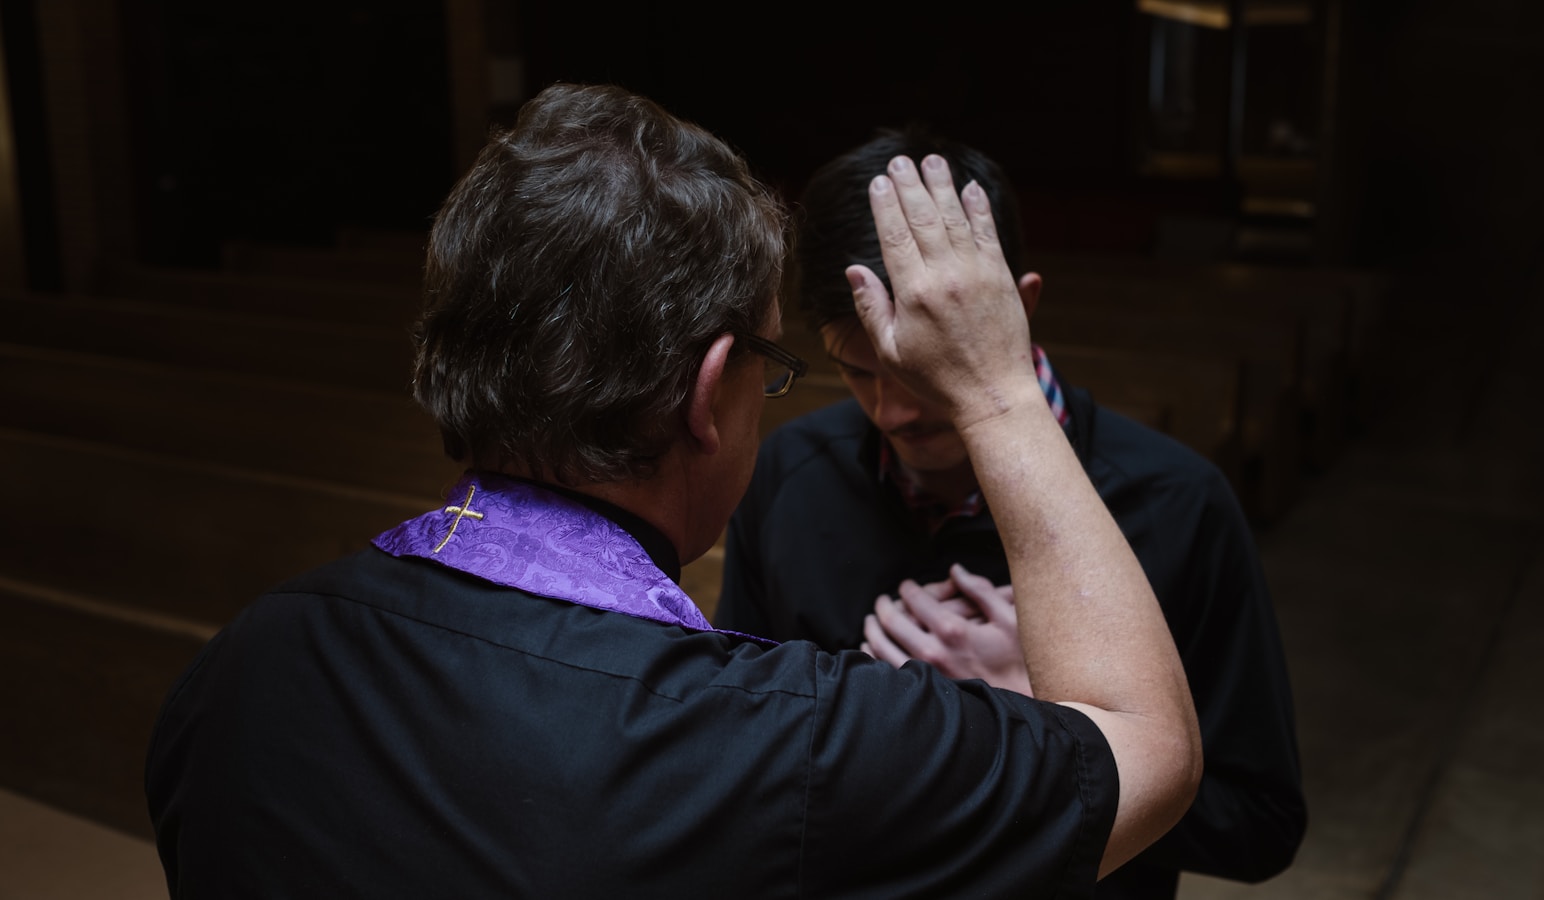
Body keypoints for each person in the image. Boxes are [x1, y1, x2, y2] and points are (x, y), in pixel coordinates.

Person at [144, 84, 1201, 898]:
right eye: (771, 366)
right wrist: (999, 390)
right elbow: (1145, 752)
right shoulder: (766, 744)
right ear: (708, 394)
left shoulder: (245, 661)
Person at [716, 128, 1307, 899]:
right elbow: (743, 735)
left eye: (917, 370)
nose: (891, 411)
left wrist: (1050, 715)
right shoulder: (792, 470)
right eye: (856, 372)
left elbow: (1259, 824)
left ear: (1015, 310)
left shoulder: (1177, 502)